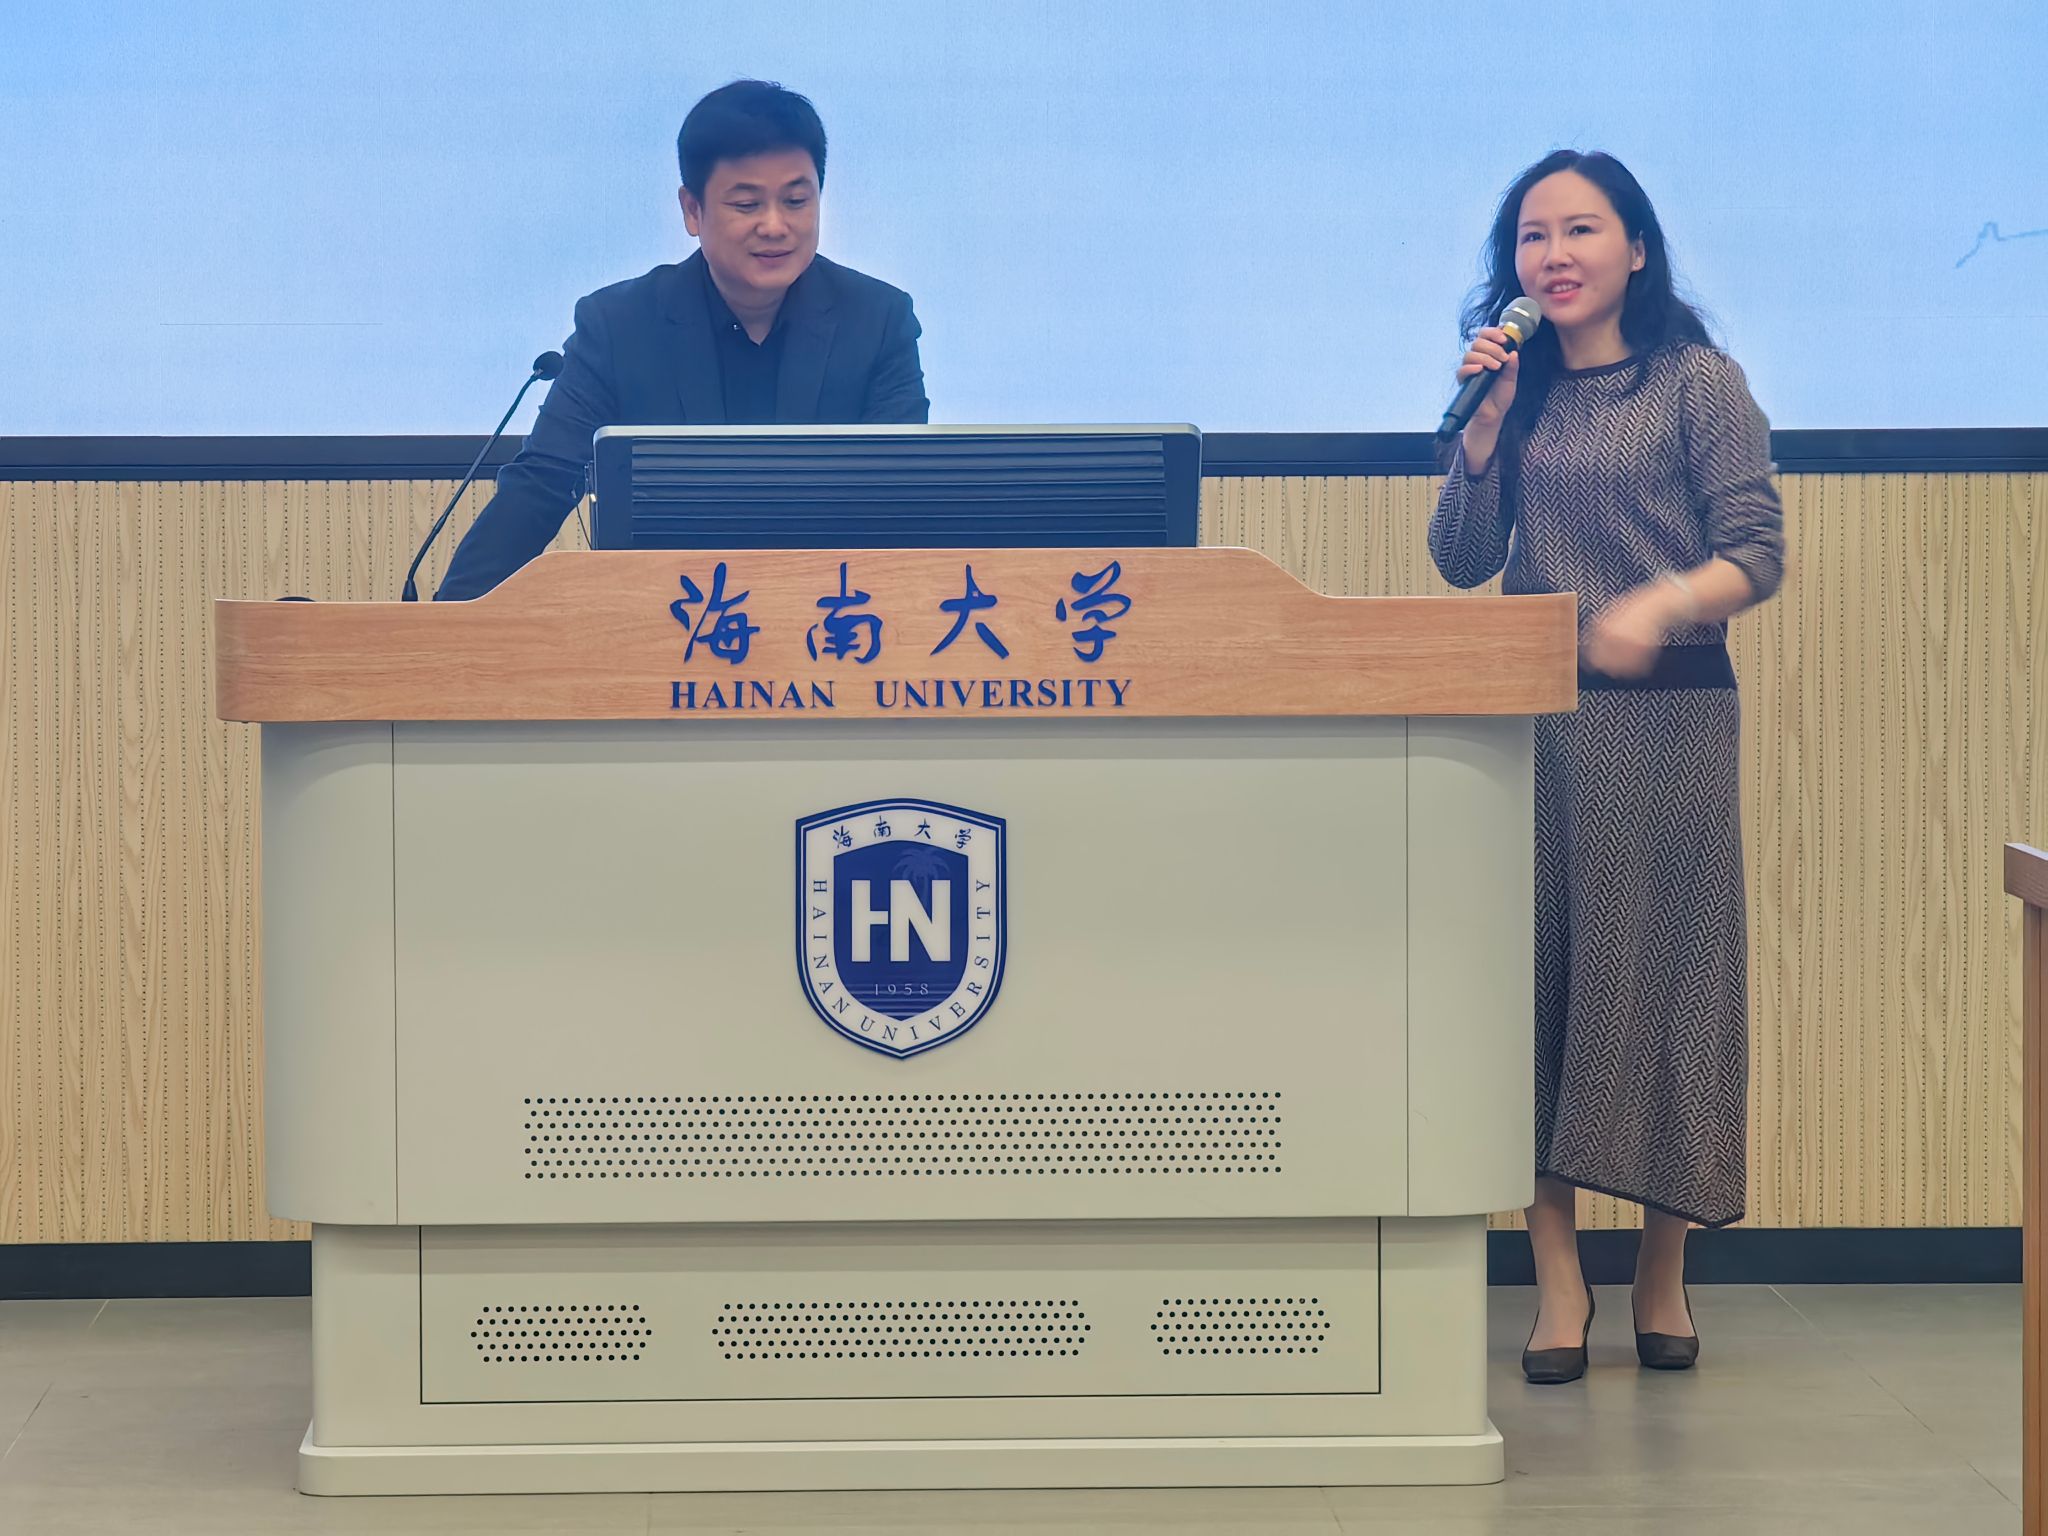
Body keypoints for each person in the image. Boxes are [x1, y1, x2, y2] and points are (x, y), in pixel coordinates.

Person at [1427, 150, 1784, 1385]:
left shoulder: (1696, 381)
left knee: (1666, 984)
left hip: (1671, 721)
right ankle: (1558, 1281)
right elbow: (1459, 560)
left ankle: (1661, 1271)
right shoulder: (1513, 389)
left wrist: (1658, 602)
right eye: (1532, 236)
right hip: (1541, 724)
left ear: (1634, 249)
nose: (1553, 255)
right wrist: (1482, 428)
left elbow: (1754, 553)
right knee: (1544, 985)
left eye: (1580, 229)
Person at [437, 79, 929, 600]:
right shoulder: (619, 326)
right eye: (747, 204)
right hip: (667, 623)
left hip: (829, 619)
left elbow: (902, 501)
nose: (775, 225)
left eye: (796, 201)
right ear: (692, 211)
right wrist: (449, 622)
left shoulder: (878, 320)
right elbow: (541, 485)